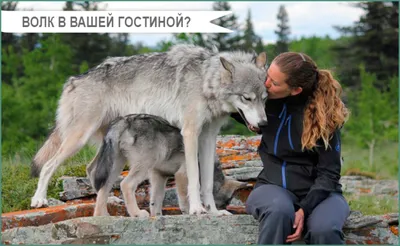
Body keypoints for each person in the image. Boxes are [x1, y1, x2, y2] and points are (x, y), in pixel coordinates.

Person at [231, 52, 350, 244]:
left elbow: (329, 173)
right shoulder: (262, 100)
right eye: (267, 75)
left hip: (322, 194)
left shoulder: (324, 116)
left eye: (275, 83)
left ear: (295, 90)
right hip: (272, 187)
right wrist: (248, 118)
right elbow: (229, 102)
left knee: (324, 229)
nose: (266, 83)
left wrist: (305, 209)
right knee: (279, 212)